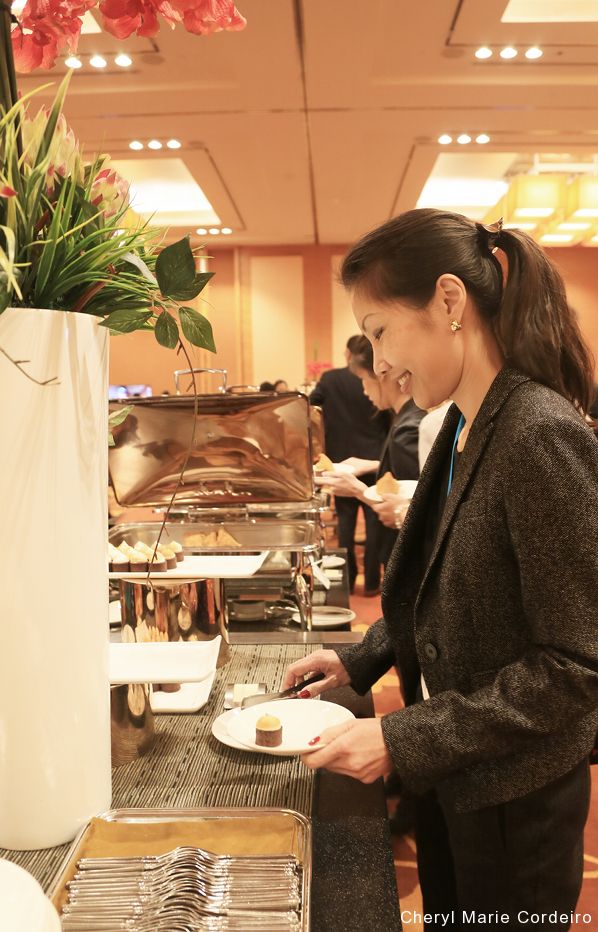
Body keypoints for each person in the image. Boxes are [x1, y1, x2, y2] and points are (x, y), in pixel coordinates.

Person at [285, 209, 598, 930]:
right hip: (458, 782)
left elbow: (578, 662)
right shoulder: (464, 422)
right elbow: (439, 582)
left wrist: (401, 738)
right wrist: (358, 659)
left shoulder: (538, 433)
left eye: (382, 329)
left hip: (517, 806)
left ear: (450, 303)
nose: (380, 360)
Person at [316, 334, 425, 567]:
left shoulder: (407, 429)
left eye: (364, 380)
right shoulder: (407, 418)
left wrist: (357, 490)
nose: (364, 390)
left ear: (383, 375)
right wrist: (372, 464)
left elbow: (410, 511)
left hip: (407, 560)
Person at [310, 335, 388, 594]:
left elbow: (310, 405)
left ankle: (347, 578)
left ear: (348, 354)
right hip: (375, 460)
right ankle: (373, 583)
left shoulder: (330, 380)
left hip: (342, 462)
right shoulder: (379, 379)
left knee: (345, 525)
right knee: (374, 521)